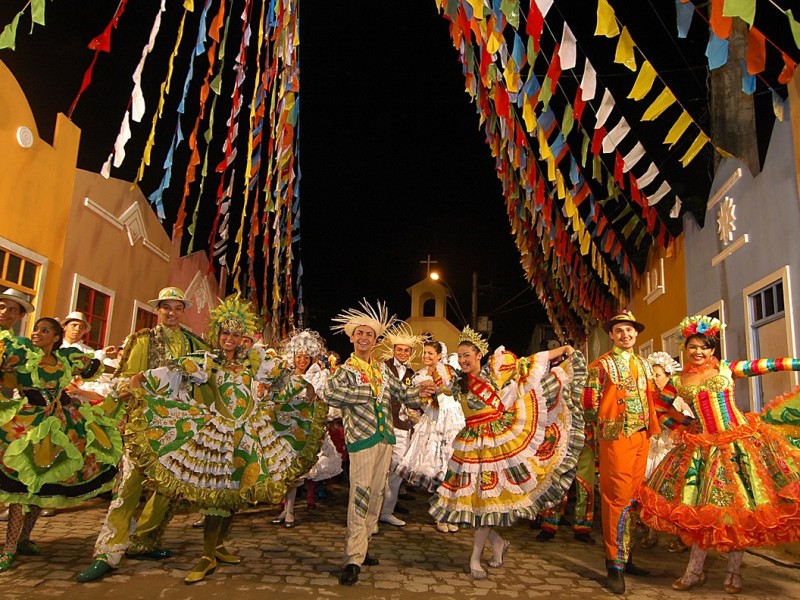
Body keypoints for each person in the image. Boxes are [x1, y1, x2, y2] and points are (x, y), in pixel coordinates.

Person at [122, 295, 327, 583]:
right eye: (225, 333)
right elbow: (172, 374)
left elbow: (283, 378)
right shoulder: (207, 362)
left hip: (246, 434)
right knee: (217, 496)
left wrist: (305, 390)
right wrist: (141, 380)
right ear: (217, 334)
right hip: (216, 436)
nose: (230, 338)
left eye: (236, 333)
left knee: (234, 494)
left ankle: (218, 546)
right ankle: (206, 554)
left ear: (243, 336)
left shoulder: (253, 360)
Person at [638, 315, 800, 594]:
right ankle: (693, 572)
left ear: (713, 350)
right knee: (704, 514)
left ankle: (733, 574)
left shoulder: (727, 369)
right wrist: (684, 425)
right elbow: (659, 408)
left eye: (704, 347)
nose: (698, 352)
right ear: (685, 349)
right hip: (702, 450)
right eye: (693, 347)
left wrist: (795, 363)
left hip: (739, 445)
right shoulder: (678, 380)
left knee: (738, 512)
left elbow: (765, 365)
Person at [76, 286, 210, 583]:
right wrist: (138, 384)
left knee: (169, 488)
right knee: (128, 487)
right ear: (158, 310)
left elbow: (206, 381)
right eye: (166, 307)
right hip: (144, 423)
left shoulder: (194, 344)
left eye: (177, 307)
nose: (172, 313)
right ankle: (107, 553)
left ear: (183, 310)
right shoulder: (142, 340)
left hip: (180, 426)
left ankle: (144, 540)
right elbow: (123, 381)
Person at [429, 326, 584, 579]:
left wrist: (565, 350)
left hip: (495, 442)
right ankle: (498, 543)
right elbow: (434, 386)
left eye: (467, 355)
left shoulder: (495, 371)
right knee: (477, 501)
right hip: (469, 444)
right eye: (460, 356)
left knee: (488, 501)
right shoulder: (456, 381)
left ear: (479, 355)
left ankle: (474, 558)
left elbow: (531, 361)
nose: (463, 360)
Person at [324, 299, 436, 586]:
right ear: (351, 338)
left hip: (385, 438)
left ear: (375, 340)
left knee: (376, 494)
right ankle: (352, 557)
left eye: (369, 334)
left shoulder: (383, 370)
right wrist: (367, 394)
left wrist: (422, 390)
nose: (364, 338)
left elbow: (404, 395)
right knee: (359, 495)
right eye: (360, 333)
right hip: (362, 441)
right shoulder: (346, 370)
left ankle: (363, 548)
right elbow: (332, 396)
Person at [0, 318, 123, 572]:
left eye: (44, 331)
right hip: (27, 424)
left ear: (56, 338)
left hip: (58, 425)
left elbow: (101, 369)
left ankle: (23, 539)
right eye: (36, 329)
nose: (37, 334)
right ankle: (8, 548)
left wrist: (132, 373)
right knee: (20, 486)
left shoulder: (66, 360)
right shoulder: (22, 356)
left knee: (42, 484)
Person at [582, 310, 688, 594]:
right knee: (616, 497)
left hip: (642, 436)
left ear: (636, 334)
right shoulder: (601, 365)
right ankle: (613, 564)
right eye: (619, 331)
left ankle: (626, 557)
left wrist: (683, 420)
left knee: (633, 497)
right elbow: (589, 403)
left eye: (629, 330)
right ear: (611, 335)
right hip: (616, 438)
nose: (625, 335)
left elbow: (654, 400)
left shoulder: (643, 364)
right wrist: (604, 431)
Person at [271, 329, 341, 527]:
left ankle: (290, 510)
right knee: (284, 471)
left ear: (311, 358)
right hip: (283, 428)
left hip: (304, 429)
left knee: (296, 472)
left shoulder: (319, 376)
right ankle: (286, 509)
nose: (301, 360)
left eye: (305, 357)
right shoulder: (283, 374)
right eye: (298, 356)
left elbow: (320, 399)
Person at [397, 340, 464, 533]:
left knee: (451, 469)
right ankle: (439, 515)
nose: (426, 357)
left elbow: (456, 393)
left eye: (430, 353)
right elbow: (419, 402)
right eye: (425, 353)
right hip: (434, 424)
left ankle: (450, 513)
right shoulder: (420, 376)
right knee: (437, 469)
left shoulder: (450, 372)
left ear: (439, 355)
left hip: (453, 422)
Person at [639, 352, 690, 551]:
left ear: (669, 376)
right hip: (653, 449)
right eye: (652, 376)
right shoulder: (649, 399)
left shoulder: (678, 399)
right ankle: (651, 531)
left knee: (674, 493)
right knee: (650, 492)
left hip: (671, 449)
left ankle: (681, 535)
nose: (654, 379)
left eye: (658, 375)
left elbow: (684, 422)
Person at [378, 322, 421, 528]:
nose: (403, 353)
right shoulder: (382, 368)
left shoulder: (414, 374)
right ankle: (373, 514)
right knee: (379, 471)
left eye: (406, 350)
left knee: (396, 472)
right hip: (383, 424)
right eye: (400, 349)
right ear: (393, 350)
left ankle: (387, 511)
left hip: (403, 427)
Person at [0, 288, 35, 524]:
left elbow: (25, 379)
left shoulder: (18, 346)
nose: (5, 312)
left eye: (13, 309)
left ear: (20, 316)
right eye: (2, 306)